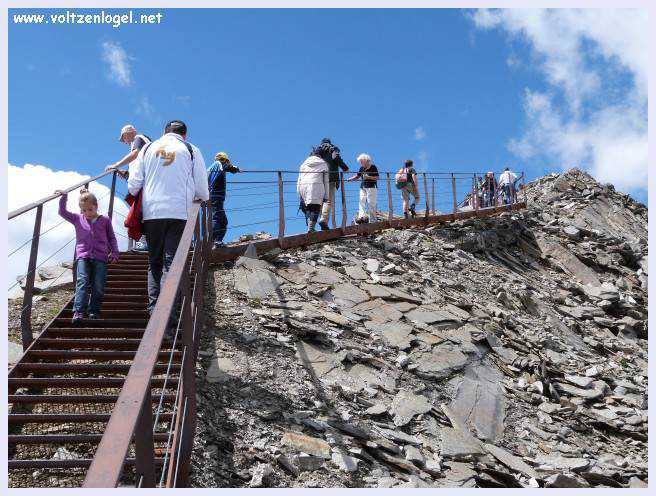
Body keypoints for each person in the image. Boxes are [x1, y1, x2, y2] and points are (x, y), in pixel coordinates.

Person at [128, 120, 209, 314]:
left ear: (164, 132)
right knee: (171, 262)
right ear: (184, 135)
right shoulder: (190, 149)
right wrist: (201, 197)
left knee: (154, 262)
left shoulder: (148, 148)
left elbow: (133, 184)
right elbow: (202, 188)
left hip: (152, 213)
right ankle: (168, 314)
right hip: (179, 213)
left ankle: (154, 309)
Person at [55, 188, 119, 324]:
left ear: (96, 206)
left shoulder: (105, 220)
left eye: (90, 209)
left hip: (101, 258)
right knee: (82, 281)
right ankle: (78, 311)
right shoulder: (78, 218)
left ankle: (93, 310)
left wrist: (114, 252)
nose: (87, 213)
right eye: (84, 210)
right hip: (83, 256)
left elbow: (112, 238)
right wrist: (64, 197)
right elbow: (62, 212)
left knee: (98, 284)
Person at [106, 124, 152, 251]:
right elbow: (138, 166)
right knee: (141, 213)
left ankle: (145, 241)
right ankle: (146, 240)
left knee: (141, 213)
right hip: (144, 183)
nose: (124, 141)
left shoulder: (139, 138)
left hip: (145, 184)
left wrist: (117, 164)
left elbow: (136, 154)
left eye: (124, 137)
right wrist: (125, 173)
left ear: (130, 133)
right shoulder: (138, 144)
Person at [308, 138, 349, 230]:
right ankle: (323, 220)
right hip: (331, 177)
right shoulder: (333, 148)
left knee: (318, 201)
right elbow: (336, 157)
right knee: (328, 200)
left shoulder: (316, 151)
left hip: (318, 178)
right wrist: (345, 168)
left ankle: (312, 225)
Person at [207, 151, 241, 248]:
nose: (226, 162)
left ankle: (217, 241)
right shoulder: (218, 164)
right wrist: (236, 169)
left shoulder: (212, 167)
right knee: (217, 218)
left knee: (223, 221)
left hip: (215, 197)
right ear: (223, 159)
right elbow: (227, 167)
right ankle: (213, 241)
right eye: (226, 160)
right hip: (216, 196)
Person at [297, 153, 329, 232]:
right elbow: (326, 181)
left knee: (308, 207)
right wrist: (326, 196)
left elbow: (299, 179)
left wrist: (299, 192)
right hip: (316, 186)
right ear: (319, 156)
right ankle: (311, 228)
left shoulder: (303, 164)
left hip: (303, 187)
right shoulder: (323, 163)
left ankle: (311, 227)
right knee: (315, 208)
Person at [347, 153, 379, 223]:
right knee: (361, 201)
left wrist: (369, 177)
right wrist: (350, 179)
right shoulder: (362, 168)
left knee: (371, 203)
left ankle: (373, 220)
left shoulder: (373, 167)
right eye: (360, 162)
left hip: (371, 187)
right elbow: (357, 176)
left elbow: (377, 178)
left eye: (361, 161)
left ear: (366, 160)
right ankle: (361, 217)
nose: (360, 163)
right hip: (363, 187)